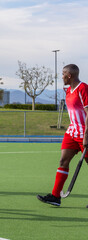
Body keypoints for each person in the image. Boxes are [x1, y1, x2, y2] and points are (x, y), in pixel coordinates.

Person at [37, 64, 88, 207]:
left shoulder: (83, 88)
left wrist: (86, 135)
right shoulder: (68, 91)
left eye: (63, 74)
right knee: (63, 161)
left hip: (84, 133)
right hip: (72, 132)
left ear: (69, 75)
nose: (62, 76)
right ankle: (55, 196)